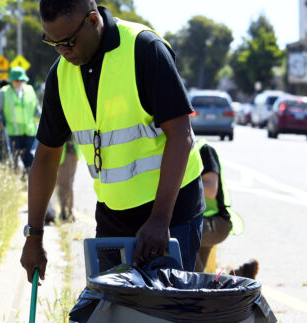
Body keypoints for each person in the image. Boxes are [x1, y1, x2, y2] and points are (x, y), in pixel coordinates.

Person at [21, 0, 206, 282]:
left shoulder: (144, 49)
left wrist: (159, 220)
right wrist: (34, 236)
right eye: (53, 43)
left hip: (171, 212)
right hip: (114, 215)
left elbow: (181, 135)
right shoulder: (60, 75)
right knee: (111, 319)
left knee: (167, 320)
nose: (62, 51)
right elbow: (46, 157)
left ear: (93, 20)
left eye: (68, 41)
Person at [194, 139, 258, 278]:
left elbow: (211, 189)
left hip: (216, 222)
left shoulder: (203, 149)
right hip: (199, 221)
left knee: (179, 234)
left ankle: (234, 282)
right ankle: (235, 280)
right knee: (198, 276)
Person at [0, 67, 41, 173]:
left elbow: (37, 110)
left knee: (31, 164)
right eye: (16, 80)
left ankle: (28, 184)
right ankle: (15, 183)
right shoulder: (4, 92)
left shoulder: (30, 90)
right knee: (12, 163)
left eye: (21, 80)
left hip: (30, 133)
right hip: (12, 134)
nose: (19, 82)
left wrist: (46, 118)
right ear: (11, 80)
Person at [56, 138, 79, 222]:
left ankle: (67, 213)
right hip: (66, 152)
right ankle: (66, 212)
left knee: (64, 184)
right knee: (65, 184)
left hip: (67, 152)